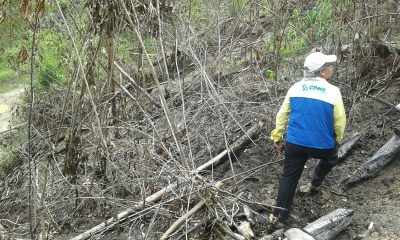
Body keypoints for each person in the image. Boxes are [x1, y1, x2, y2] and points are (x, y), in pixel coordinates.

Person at [269, 51, 346, 224]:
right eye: (329, 66)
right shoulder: (333, 92)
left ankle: (280, 216)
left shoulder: (294, 88)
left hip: (295, 144)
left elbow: (282, 115)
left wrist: (277, 135)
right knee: (332, 157)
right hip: (323, 146)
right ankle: (316, 183)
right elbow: (339, 121)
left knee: (288, 177)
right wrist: (337, 138)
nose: (331, 68)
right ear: (321, 72)